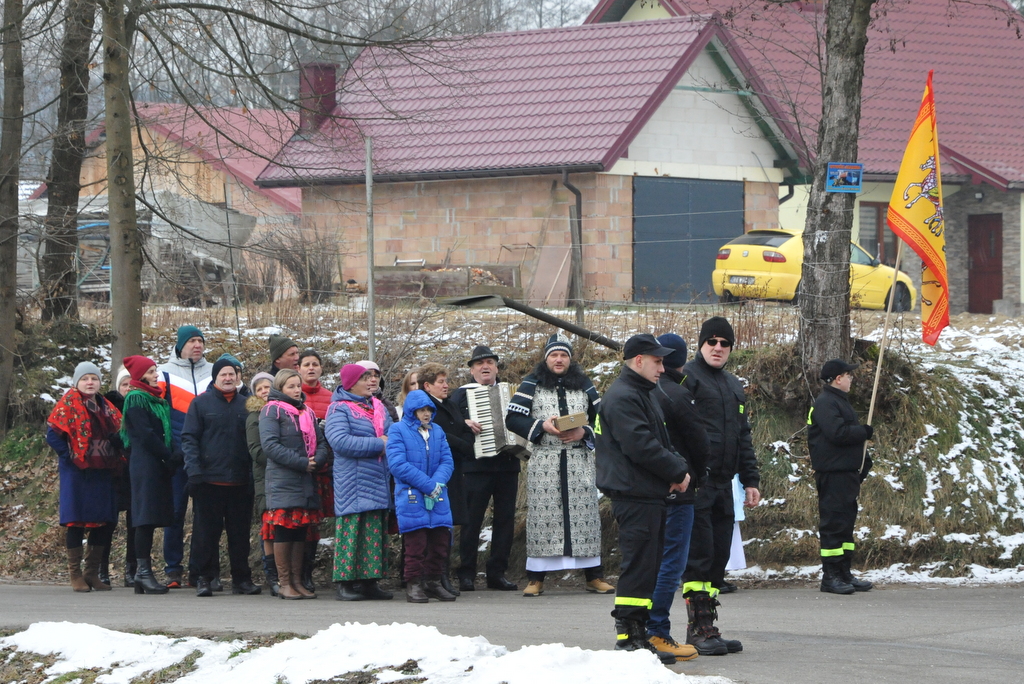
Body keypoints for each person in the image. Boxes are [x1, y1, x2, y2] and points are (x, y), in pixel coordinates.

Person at [594, 334, 690, 664]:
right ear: (639, 361)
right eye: (657, 361)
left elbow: (660, 442)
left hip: (647, 493)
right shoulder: (623, 397)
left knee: (647, 567)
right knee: (638, 568)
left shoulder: (640, 393)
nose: (663, 368)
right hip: (634, 495)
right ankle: (629, 638)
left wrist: (676, 469)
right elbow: (641, 446)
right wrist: (678, 471)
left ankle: (639, 634)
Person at [506, 333, 612, 597]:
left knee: (584, 518)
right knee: (543, 519)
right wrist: (541, 425)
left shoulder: (584, 384)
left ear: (570, 359)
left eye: (563, 355)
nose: (559, 359)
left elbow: (604, 420)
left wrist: (584, 432)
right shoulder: (532, 383)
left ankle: (594, 576)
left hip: (579, 460)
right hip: (545, 460)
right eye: (554, 355)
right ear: (546, 359)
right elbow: (513, 418)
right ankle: (536, 578)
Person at [681, 317, 760, 655]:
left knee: (717, 558)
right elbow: (677, 430)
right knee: (698, 557)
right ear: (701, 344)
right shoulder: (686, 378)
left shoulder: (732, 384)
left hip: (725, 485)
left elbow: (743, 436)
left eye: (724, 343)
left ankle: (709, 626)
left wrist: (750, 479)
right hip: (698, 484)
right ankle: (697, 630)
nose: (717, 348)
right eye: (711, 341)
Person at [645, 333, 709, 661]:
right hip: (679, 490)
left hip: (650, 490)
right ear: (681, 359)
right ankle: (657, 630)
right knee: (672, 564)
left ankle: (645, 628)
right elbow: (699, 442)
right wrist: (696, 475)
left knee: (653, 562)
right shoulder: (678, 394)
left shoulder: (643, 392)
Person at [181, 356, 261, 597]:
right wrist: (194, 471)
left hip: (240, 482)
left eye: (232, 374)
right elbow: (189, 439)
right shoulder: (200, 404)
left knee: (240, 535)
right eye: (223, 374)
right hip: (209, 481)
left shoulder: (248, 404)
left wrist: (252, 476)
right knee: (206, 535)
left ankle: (241, 579)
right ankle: (204, 578)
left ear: (238, 378)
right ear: (215, 377)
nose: (228, 378)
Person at [46, 362, 123, 592]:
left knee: (102, 521)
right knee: (76, 521)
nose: (90, 383)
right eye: (85, 379)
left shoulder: (106, 406)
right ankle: (75, 574)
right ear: (76, 382)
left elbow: (120, 430)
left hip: (103, 470)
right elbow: (53, 435)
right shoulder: (68, 404)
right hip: (77, 472)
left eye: (94, 378)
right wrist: (70, 456)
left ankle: (91, 573)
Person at [451, 345, 519, 592]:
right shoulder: (460, 395)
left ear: (497, 368)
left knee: (505, 520)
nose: (485, 367)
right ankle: (466, 573)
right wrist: (463, 422)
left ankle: (497, 573)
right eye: (479, 363)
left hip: (507, 464)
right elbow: (446, 423)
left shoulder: (512, 393)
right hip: (475, 466)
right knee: (471, 520)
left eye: (490, 362)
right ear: (471, 370)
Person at [325, 363, 395, 601]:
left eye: (374, 377)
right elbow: (340, 442)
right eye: (365, 378)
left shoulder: (378, 407)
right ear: (351, 384)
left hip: (377, 478)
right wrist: (379, 444)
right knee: (352, 530)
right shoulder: (339, 409)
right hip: (353, 481)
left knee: (373, 530)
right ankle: (345, 582)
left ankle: (369, 582)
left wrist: (387, 442)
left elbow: (392, 435)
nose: (371, 381)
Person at [260, 369, 331, 600]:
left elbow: (321, 442)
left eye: (298, 385)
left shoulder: (307, 411)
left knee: (301, 531)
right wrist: (302, 463)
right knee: (284, 531)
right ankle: (284, 583)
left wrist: (317, 460)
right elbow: (270, 446)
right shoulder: (271, 410)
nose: (296, 390)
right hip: (283, 480)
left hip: (306, 480)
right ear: (280, 388)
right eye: (291, 386)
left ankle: (297, 581)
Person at [809, 359, 874, 595]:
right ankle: (831, 575)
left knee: (846, 525)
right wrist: (863, 431)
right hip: (833, 474)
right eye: (849, 375)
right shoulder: (826, 402)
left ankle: (844, 571)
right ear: (838, 379)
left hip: (846, 474)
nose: (851, 379)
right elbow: (837, 433)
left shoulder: (839, 401)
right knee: (834, 524)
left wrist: (863, 463)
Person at [387, 390, 457, 603]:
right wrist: (428, 485)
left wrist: (436, 483)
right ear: (411, 411)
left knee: (440, 541)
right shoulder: (398, 430)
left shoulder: (437, 431)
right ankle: (414, 583)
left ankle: (433, 582)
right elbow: (397, 464)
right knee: (416, 543)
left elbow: (447, 461)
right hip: (411, 494)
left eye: (429, 410)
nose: (426, 414)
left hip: (437, 493)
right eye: (421, 410)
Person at [119, 356, 179, 595]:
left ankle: (142, 574)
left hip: (155, 463)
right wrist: (168, 455)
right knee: (143, 518)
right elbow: (145, 434)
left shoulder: (155, 399)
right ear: (141, 375)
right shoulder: (136, 399)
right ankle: (142, 572)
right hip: (145, 464)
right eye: (152, 371)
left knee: (150, 517)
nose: (156, 375)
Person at [158, 324, 211, 589]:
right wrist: (170, 449)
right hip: (178, 456)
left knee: (205, 516)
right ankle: (173, 569)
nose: (197, 345)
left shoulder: (214, 371)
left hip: (208, 457)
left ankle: (199, 570)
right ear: (180, 345)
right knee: (175, 513)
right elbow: (158, 413)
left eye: (200, 341)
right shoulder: (164, 372)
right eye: (191, 341)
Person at [419, 362, 471, 597]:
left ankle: (443, 575)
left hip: (454, 468)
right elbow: (438, 434)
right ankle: (434, 576)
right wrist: (462, 444)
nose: (446, 385)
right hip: (435, 471)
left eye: (446, 381)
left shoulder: (450, 404)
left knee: (447, 524)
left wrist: (466, 442)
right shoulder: (425, 407)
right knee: (435, 525)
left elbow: (463, 427)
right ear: (427, 385)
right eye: (440, 382)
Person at [297, 349, 333, 592]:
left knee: (315, 522)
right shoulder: (291, 395)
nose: (311, 368)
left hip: (322, 468)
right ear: (298, 368)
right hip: (297, 469)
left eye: (315, 364)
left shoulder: (330, 398)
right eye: (306, 364)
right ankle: (295, 572)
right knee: (299, 522)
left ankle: (308, 571)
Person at [246, 372, 279, 595]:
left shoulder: (284, 410)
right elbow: (257, 452)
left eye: (268, 386)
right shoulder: (254, 418)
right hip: (265, 478)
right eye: (260, 389)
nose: (265, 391)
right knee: (270, 528)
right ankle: (273, 575)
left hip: (287, 479)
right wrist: (284, 457)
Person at [104, 366, 134, 588]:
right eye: (124, 384)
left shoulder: (140, 406)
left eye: (132, 384)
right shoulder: (107, 407)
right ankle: (101, 568)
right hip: (113, 472)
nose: (128, 388)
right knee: (107, 522)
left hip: (134, 471)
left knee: (135, 523)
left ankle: (132, 569)